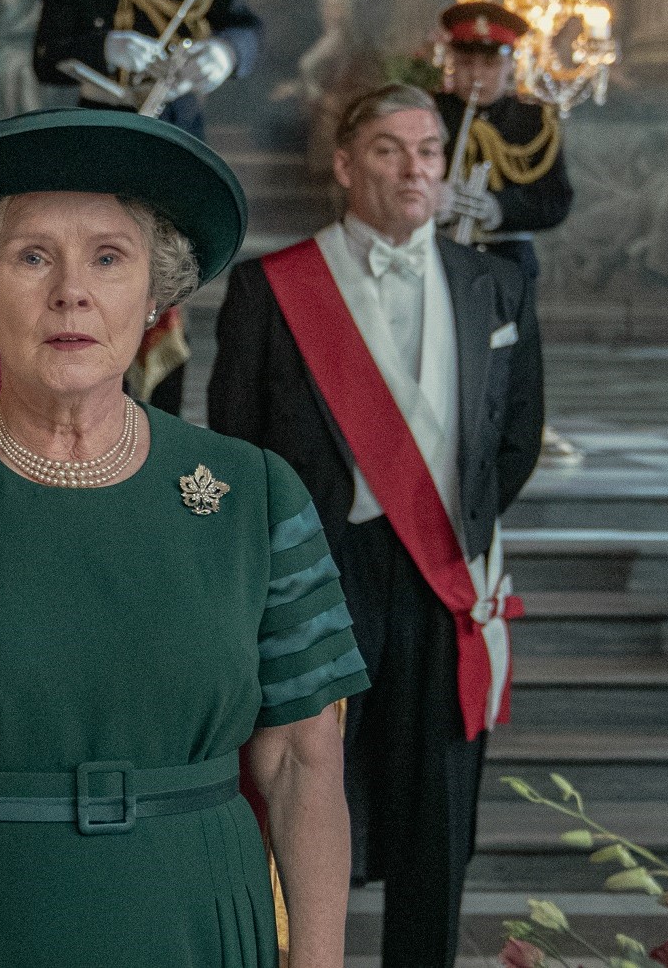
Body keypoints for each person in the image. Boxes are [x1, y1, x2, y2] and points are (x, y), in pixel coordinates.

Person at [0, 108, 368, 966]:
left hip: (197, 924)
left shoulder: (255, 494)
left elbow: (302, 765)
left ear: (155, 293)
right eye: (31, 256)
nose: (70, 292)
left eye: (108, 257)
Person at [207, 83, 544, 968]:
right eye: (390, 150)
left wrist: (459, 529)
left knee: (438, 807)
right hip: (320, 572)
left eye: (428, 151)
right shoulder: (272, 288)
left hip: (443, 576)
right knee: (302, 794)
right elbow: (238, 445)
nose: (414, 169)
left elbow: (516, 439)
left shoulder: (497, 284)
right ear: (346, 165)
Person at [31, 0, 263, 416]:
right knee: (100, 275)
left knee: (167, 280)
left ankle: (162, 420)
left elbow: (244, 25)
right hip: (102, 142)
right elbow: (46, 57)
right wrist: (102, 46)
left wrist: (225, 54)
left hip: (174, 141)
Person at [430, 1, 574, 279]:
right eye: (466, 63)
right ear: (452, 62)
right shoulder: (429, 112)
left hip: (509, 265)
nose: (476, 75)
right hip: (439, 259)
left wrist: (500, 208)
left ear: (511, 65)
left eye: (490, 64)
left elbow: (556, 201)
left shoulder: (535, 120)